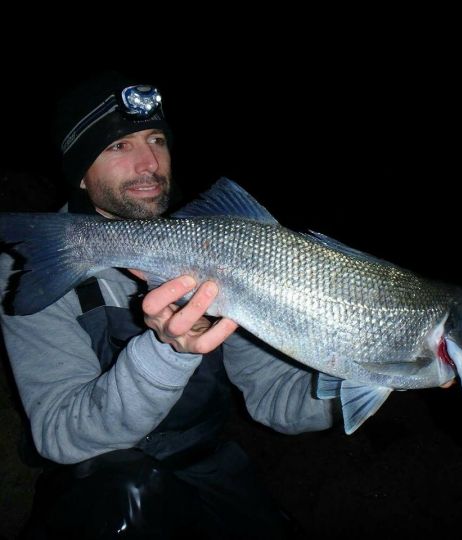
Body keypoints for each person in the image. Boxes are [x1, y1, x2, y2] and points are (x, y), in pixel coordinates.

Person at [0, 71, 334, 539]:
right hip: (101, 478)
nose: (150, 163)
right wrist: (168, 351)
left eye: (156, 138)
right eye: (119, 146)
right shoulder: (33, 265)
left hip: (209, 464)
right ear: (78, 168)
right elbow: (61, 436)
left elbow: (274, 399)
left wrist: (366, 375)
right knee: (125, 494)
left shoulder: (220, 251)